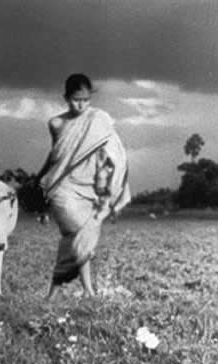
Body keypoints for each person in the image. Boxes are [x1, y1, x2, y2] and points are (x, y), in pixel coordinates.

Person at [37, 73, 131, 300]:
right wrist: (40, 179)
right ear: (66, 97)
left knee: (77, 240)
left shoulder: (99, 120)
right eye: (76, 99)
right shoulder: (56, 123)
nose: (81, 105)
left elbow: (115, 155)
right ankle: (87, 291)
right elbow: (57, 156)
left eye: (86, 100)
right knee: (79, 233)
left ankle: (57, 294)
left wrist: (111, 191)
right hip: (62, 188)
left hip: (89, 191)